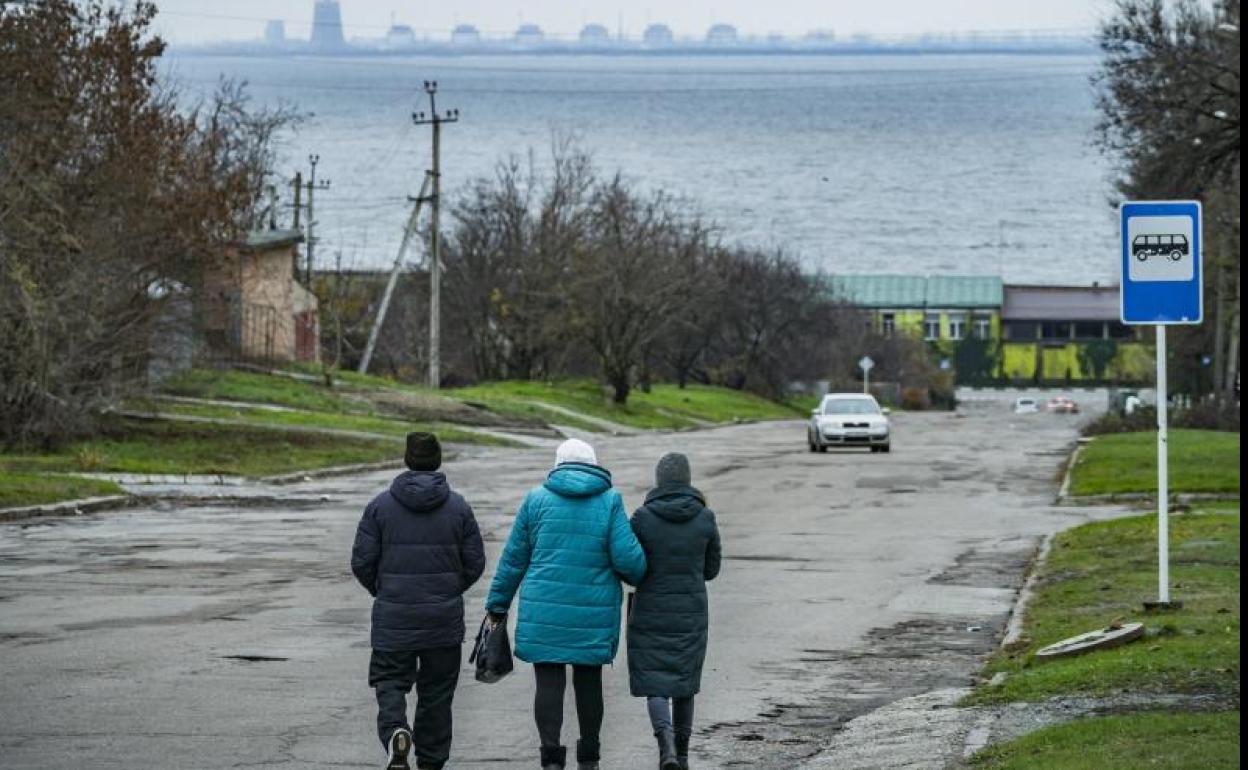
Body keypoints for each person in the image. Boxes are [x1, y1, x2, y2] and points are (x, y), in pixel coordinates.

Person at [485, 438, 648, 770]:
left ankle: (551, 759)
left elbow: (513, 559)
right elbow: (631, 564)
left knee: (548, 681)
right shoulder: (610, 501)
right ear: (593, 464)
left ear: (558, 464)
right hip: (593, 609)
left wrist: (497, 605)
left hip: (544, 608)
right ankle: (589, 758)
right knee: (589, 681)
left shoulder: (536, 500)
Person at [351, 432, 486, 770]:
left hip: (394, 617)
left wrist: (384, 591)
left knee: (389, 681)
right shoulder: (458, 507)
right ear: (438, 460)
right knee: (437, 693)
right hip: (443, 620)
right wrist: (449, 590)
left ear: (407, 459)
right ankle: (431, 760)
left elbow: (362, 562)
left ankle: (396, 731)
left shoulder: (380, 506)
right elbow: (475, 563)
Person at [627, 453, 722, 770]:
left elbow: (631, 567)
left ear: (660, 481)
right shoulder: (705, 518)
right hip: (691, 612)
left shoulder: (642, 518)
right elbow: (711, 570)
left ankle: (665, 745)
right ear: (688, 479)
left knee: (656, 682)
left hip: (650, 609)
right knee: (685, 682)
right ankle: (681, 755)